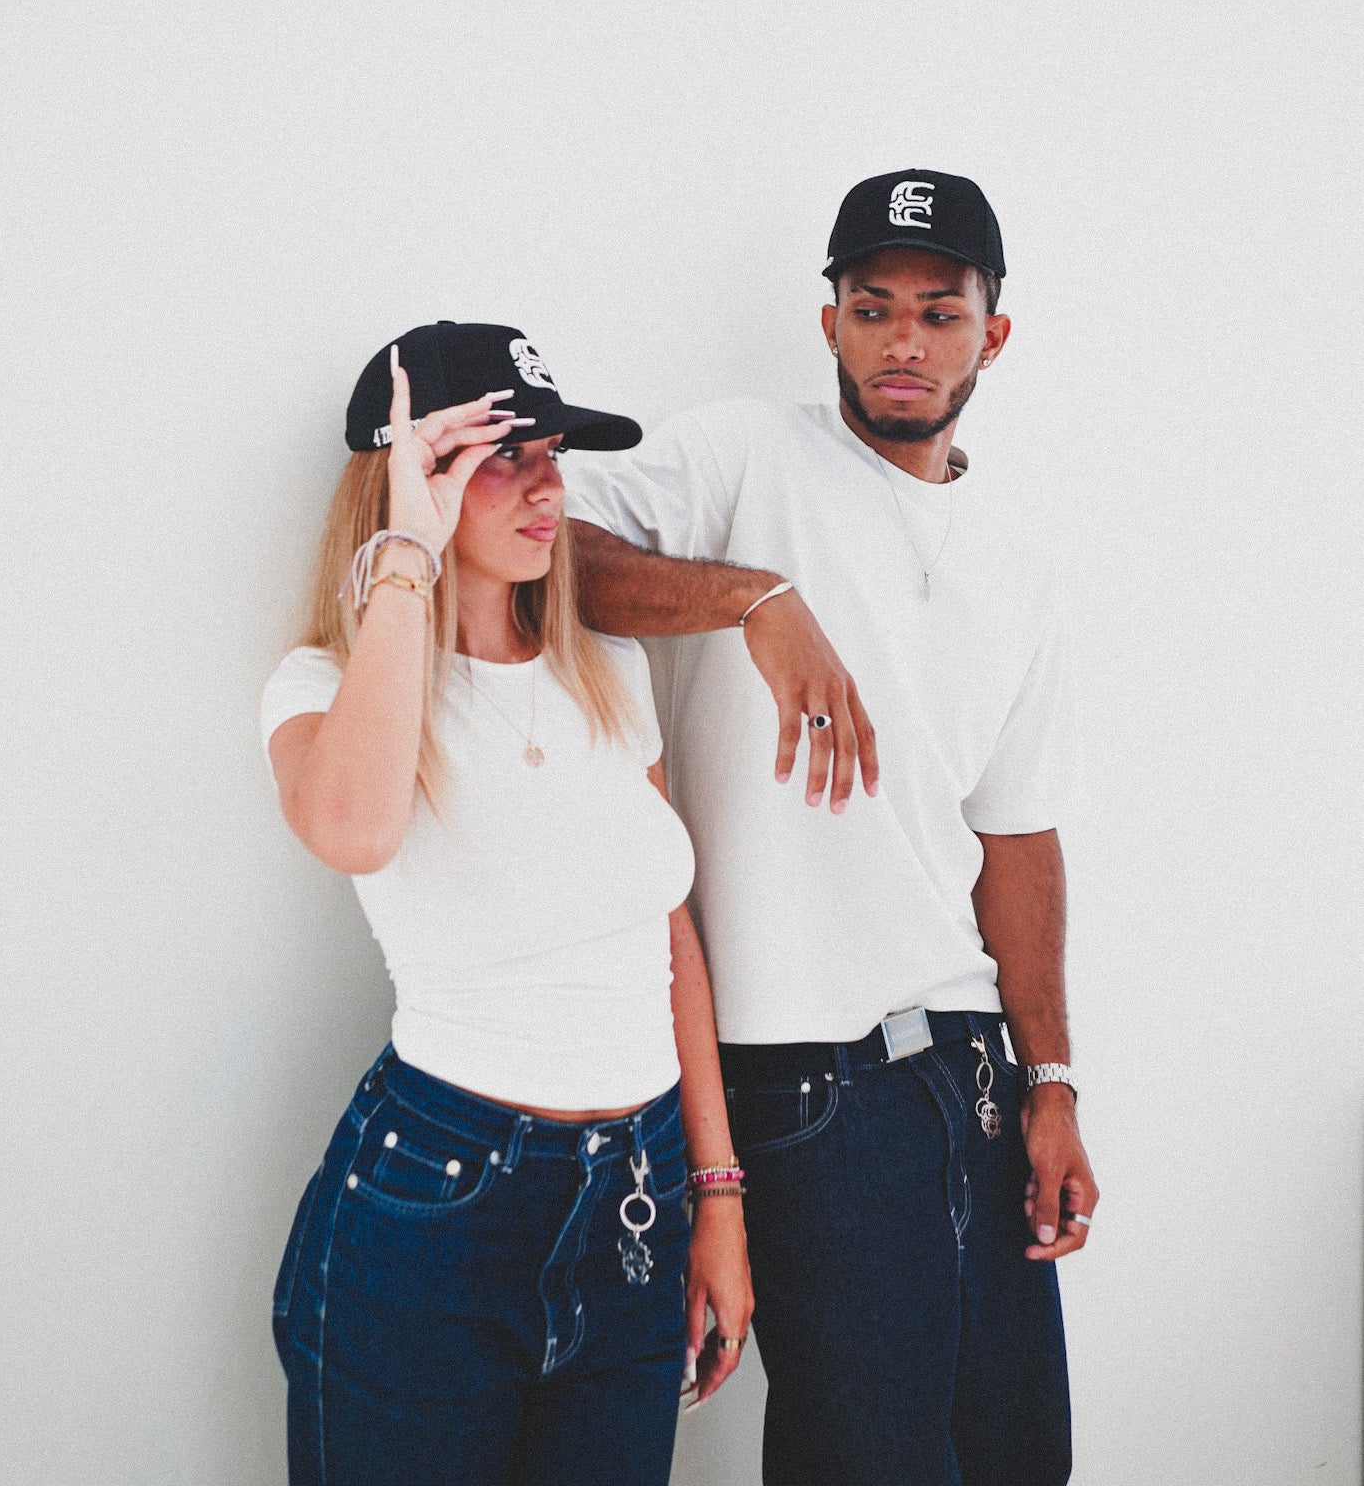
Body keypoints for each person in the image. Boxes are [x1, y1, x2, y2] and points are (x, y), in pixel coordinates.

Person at [566, 170, 1097, 1486]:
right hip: (802, 1079)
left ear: (993, 332)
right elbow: (546, 559)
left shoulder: (1019, 563)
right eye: (871, 309)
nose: (902, 340)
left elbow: (1015, 840)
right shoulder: (743, 455)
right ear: (831, 326)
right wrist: (757, 600)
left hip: (967, 1071)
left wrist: (1053, 1082)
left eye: (936, 310)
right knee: (867, 1462)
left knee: (1019, 1457)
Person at [263, 321, 753, 1486]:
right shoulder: (326, 686)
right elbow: (352, 830)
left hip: (636, 1203)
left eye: (553, 450)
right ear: (408, 474)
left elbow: (664, 931)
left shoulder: (607, 668)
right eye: (501, 453)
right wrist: (406, 550)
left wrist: (718, 1194)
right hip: (437, 1206)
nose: (547, 481)